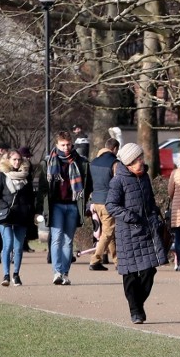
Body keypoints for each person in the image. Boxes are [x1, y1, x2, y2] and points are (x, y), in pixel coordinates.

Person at [106, 143, 168, 324]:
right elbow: (111, 206)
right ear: (129, 162)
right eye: (137, 159)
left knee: (150, 270)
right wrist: (130, 216)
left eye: (141, 157)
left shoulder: (145, 177)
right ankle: (136, 311)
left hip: (147, 231)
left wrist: (156, 216)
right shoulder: (118, 181)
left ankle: (138, 303)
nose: (141, 161)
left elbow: (150, 202)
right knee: (131, 275)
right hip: (128, 233)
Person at [43, 131, 92, 285]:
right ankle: (56, 272)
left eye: (68, 144)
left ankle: (65, 272)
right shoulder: (49, 162)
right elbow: (44, 189)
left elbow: (88, 184)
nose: (66, 147)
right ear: (57, 145)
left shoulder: (80, 162)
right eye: (63, 144)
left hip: (72, 204)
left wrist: (83, 200)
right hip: (56, 204)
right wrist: (41, 209)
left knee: (68, 240)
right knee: (56, 237)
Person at [0, 150, 35, 286]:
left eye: (19, 160)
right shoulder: (2, 176)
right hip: (6, 215)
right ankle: (6, 275)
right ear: (8, 160)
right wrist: (4, 206)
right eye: (14, 160)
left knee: (18, 246)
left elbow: (30, 197)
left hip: (21, 215)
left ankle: (16, 274)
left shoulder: (26, 177)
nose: (17, 162)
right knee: (8, 243)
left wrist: (31, 211)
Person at [88, 137, 120, 271]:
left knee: (109, 231)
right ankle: (95, 260)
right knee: (108, 232)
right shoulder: (115, 163)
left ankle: (118, 262)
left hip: (95, 201)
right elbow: (118, 183)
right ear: (115, 149)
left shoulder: (93, 162)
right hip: (108, 202)